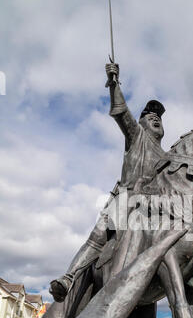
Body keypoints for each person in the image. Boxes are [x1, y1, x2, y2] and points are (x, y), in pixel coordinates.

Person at [50, 62, 166, 302]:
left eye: (159, 118)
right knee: (98, 236)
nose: (155, 118)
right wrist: (114, 83)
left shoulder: (168, 157)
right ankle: (69, 277)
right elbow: (122, 113)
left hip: (155, 209)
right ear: (141, 122)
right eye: (149, 115)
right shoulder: (137, 137)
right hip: (126, 200)